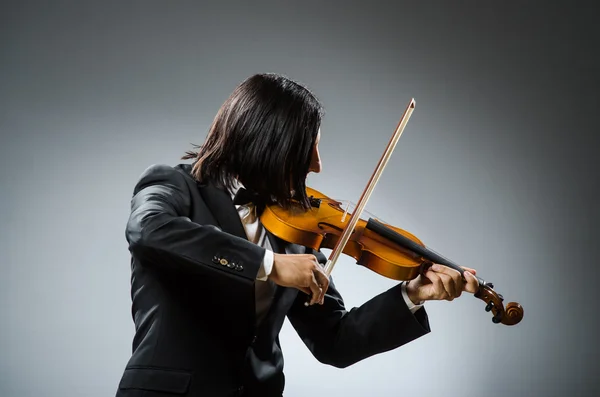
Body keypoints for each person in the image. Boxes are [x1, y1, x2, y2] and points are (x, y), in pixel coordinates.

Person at [115, 73, 479, 397]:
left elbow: (335, 341)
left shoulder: (294, 227)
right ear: (265, 141)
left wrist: (412, 294)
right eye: (308, 148)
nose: (317, 165)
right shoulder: (174, 184)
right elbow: (148, 230)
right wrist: (270, 265)